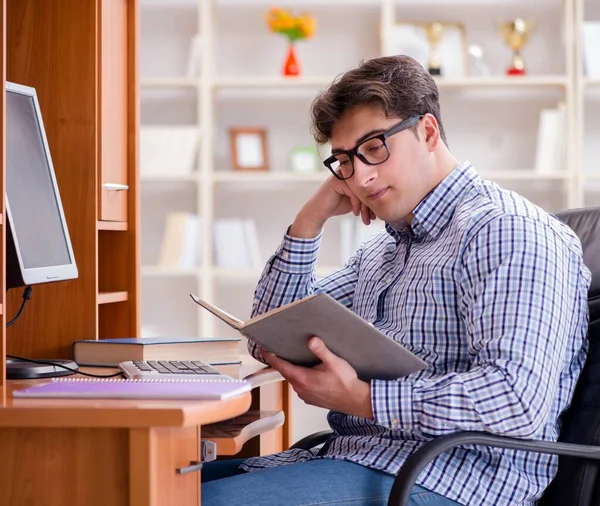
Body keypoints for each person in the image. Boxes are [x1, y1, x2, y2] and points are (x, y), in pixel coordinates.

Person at [201, 55, 591, 506]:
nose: (360, 177)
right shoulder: (384, 250)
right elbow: (267, 334)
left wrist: (364, 399)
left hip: (449, 481)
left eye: (373, 148)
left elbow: (516, 401)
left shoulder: (507, 230)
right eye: (344, 161)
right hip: (359, 459)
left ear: (427, 132)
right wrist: (309, 220)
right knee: (153, 482)